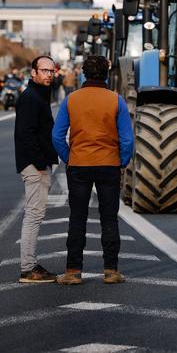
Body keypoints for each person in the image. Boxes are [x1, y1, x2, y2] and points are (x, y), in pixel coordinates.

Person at [52, 55, 134, 285]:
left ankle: (73, 271)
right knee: (109, 219)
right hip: (108, 164)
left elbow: (57, 135)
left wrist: (69, 157)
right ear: (107, 73)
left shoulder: (72, 99)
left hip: (79, 164)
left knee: (77, 218)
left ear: (84, 73)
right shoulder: (115, 100)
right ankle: (111, 271)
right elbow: (127, 139)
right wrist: (122, 161)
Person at [15, 55, 59, 283]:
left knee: (35, 214)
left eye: (52, 71)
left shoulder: (39, 95)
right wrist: (41, 163)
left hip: (36, 163)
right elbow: (26, 134)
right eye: (44, 71)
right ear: (33, 72)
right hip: (34, 166)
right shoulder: (31, 97)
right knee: (34, 215)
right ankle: (28, 268)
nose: (49, 75)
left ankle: (30, 265)